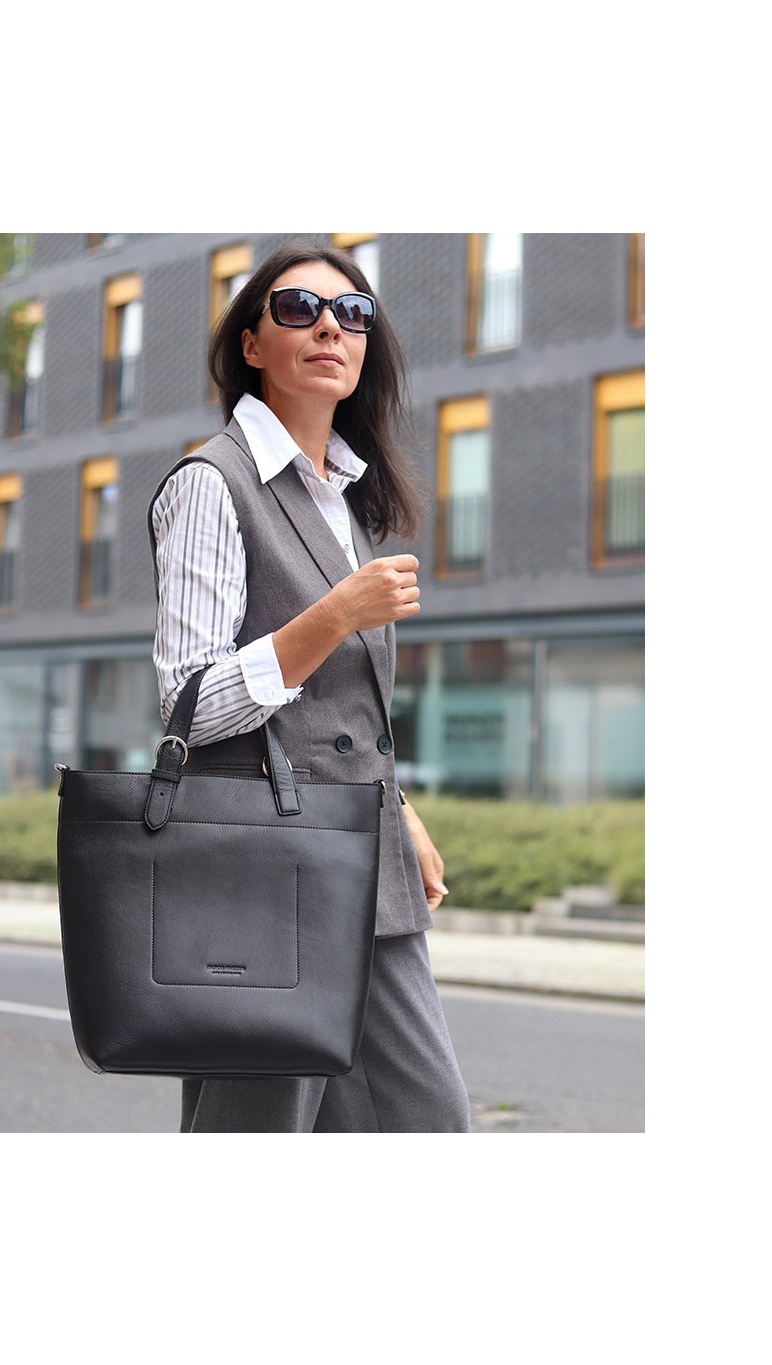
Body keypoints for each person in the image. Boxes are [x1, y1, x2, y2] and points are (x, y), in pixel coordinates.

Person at [146, 240, 471, 1133]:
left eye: (352, 313)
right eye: (299, 308)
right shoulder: (211, 485)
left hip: (363, 858)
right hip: (267, 877)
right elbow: (189, 703)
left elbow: (344, 716)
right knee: (258, 1132)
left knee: (427, 1121)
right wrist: (333, 615)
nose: (331, 326)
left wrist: (398, 808)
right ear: (252, 345)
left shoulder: (346, 497)